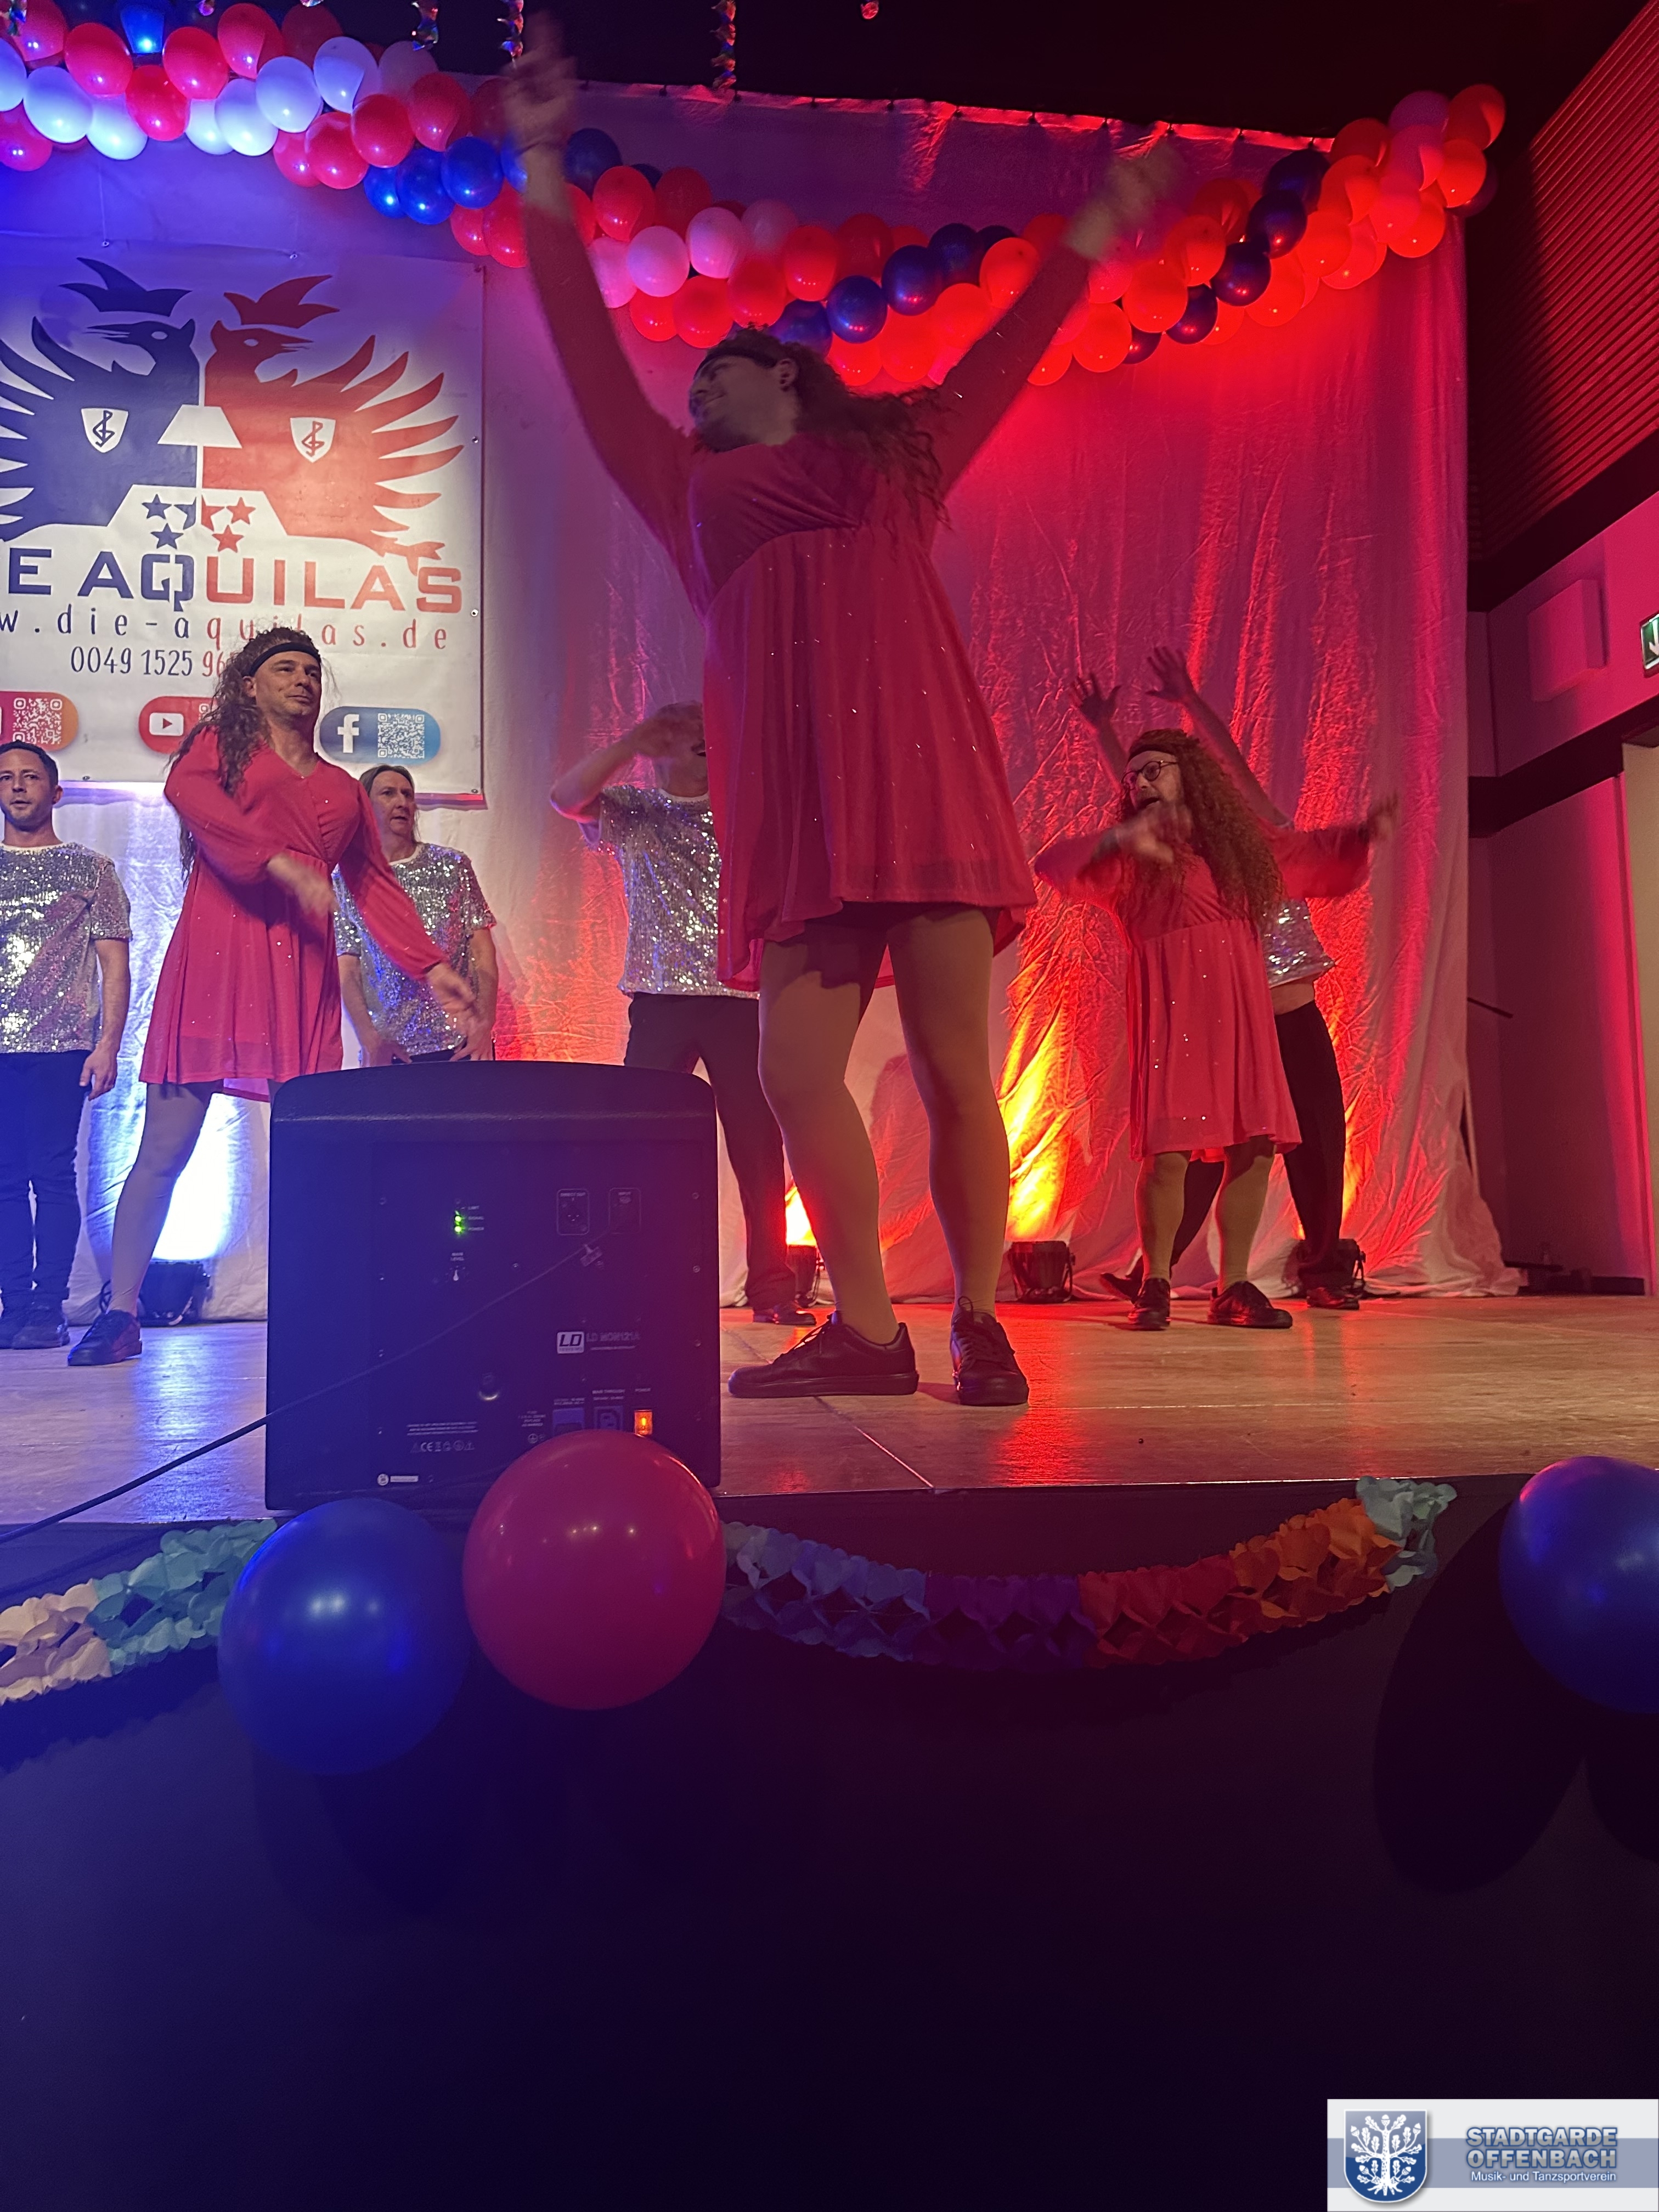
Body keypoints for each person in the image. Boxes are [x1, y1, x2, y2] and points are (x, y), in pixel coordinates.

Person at [506, 17, 1162, 1406]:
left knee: (955, 1064)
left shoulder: (900, 454)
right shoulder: (684, 483)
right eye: (695, 383)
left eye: (722, 370)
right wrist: (542, 164)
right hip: (800, 799)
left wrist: (1096, 228)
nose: (698, 388)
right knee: (795, 1069)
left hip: (919, 782)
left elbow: (1010, 348)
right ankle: (867, 1327)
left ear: (788, 375)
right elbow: (585, 356)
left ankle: (977, 1318)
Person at [69, 628, 477, 1368]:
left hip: (298, 968)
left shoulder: (342, 788)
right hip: (217, 957)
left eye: (312, 670)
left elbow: (374, 885)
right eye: (285, 668)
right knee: (164, 1147)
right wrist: (278, 863)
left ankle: (317, 1306)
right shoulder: (220, 749)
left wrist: (430, 966)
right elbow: (186, 794)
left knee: (310, 1152)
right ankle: (120, 1310)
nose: (302, 679)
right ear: (250, 685)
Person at [1034, 728, 1393, 1332]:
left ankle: (1234, 1286)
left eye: (1154, 770)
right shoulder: (1130, 859)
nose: (1139, 783)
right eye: (1132, 777)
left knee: (1254, 1147)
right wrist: (1123, 836)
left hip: (1242, 1014)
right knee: (1169, 1154)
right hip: (1176, 1017)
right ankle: (1156, 1281)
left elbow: (1305, 855)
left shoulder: (1238, 850)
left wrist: (1361, 836)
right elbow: (1052, 864)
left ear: (1190, 777)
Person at [552, 702, 811, 1328]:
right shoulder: (636, 809)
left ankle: (772, 1286)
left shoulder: (743, 813)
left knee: (757, 1146)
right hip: (660, 998)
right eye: (686, 733)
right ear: (661, 747)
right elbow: (565, 797)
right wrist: (632, 743)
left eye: (709, 732)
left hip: (738, 998)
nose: (701, 739)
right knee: (634, 1139)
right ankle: (631, 1276)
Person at [0, 741, 131, 1351]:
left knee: (52, 1174)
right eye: (6, 777)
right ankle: (13, 1306)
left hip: (61, 1045)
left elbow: (114, 966)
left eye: (30, 777)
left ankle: (48, 1306)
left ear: (55, 792)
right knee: (3, 1178)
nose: (17, 786)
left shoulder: (90, 868)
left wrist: (108, 1044)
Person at [337, 764, 499, 1065]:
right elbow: (347, 968)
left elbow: (483, 951)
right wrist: (368, 1038)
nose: (402, 802)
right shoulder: (348, 878)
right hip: (389, 1051)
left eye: (408, 795)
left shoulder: (452, 865)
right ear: (365, 807)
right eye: (388, 794)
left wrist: (485, 1023)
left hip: (460, 1045)